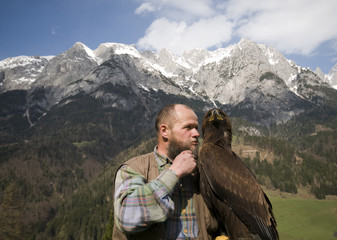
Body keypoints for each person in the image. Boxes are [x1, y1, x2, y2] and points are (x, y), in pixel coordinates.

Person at [113, 104, 218, 239]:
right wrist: (174, 173)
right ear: (164, 131)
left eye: (196, 128)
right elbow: (126, 218)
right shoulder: (134, 168)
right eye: (188, 127)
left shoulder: (203, 173)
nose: (197, 134)